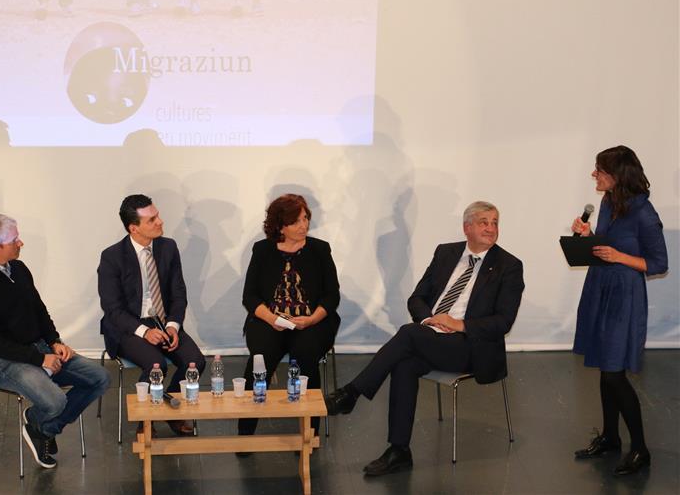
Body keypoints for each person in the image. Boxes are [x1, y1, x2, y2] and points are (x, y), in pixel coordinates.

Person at [325, 201, 524, 476]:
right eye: (483, 222)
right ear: (467, 228)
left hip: (471, 346)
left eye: (494, 223)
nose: (491, 228)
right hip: (432, 335)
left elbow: (503, 322)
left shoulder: (508, 266)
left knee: (408, 334)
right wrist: (430, 320)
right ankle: (399, 450)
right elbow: (417, 298)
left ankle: (351, 393)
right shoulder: (446, 253)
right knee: (404, 363)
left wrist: (458, 324)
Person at [0, 214, 110, 469]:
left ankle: (42, 428)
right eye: (14, 239)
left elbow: (39, 310)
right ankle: (44, 424)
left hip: (39, 349)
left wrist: (54, 341)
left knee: (100, 378)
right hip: (0, 363)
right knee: (55, 402)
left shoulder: (19, 269)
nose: (21, 243)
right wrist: (40, 359)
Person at [571, 146, 667, 476]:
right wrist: (590, 237)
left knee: (614, 373)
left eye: (599, 170)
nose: (594, 175)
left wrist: (619, 257)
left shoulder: (644, 213)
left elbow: (658, 263)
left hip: (624, 296)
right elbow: (608, 243)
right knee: (604, 366)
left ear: (617, 175)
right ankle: (610, 437)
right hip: (600, 286)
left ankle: (640, 449)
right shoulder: (608, 202)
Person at [98, 194, 205, 436]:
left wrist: (173, 326)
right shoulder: (112, 257)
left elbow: (178, 293)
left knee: (195, 361)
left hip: (163, 320)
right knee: (156, 365)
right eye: (152, 220)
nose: (160, 222)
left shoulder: (168, 247)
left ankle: (171, 412)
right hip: (128, 326)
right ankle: (145, 420)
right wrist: (145, 332)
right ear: (133, 228)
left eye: (157, 216)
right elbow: (113, 309)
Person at [238, 194, 340, 440]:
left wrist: (311, 319)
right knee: (261, 358)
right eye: (296, 222)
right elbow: (250, 297)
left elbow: (331, 296)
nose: (304, 225)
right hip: (270, 319)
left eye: (305, 218)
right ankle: (245, 433)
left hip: (312, 321)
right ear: (280, 226)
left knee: (306, 355)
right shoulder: (262, 250)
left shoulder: (320, 249)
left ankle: (310, 433)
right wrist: (271, 319)